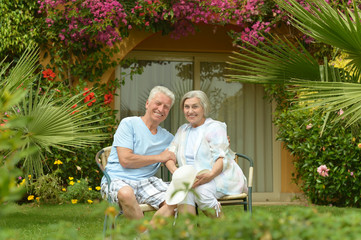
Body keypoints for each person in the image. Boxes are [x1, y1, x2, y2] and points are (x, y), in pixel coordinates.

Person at [165, 90, 248, 217]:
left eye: (195, 106)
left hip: (218, 175)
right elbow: (169, 154)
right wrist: (177, 172)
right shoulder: (182, 130)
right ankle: (189, 234)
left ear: (204, 108)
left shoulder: (214, 127)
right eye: (186, 107)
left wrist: (210, 175)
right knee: (183, 193)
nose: (190, 111)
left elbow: (221, 158)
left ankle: (224, 232)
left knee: (202, 192)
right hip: (191, 179)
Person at [101, 86, 177, 220]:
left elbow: (184, 150)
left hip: (146, 182)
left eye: (166, 107)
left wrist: (217, 141)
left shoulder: (168, 138)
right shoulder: (128, 124)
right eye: (158, 103)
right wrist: (160, 157)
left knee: (176, 198)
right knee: (126, 193)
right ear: (147, 103)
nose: (161, 109)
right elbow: (126, 160)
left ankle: (146, 235)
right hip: (116, 179)